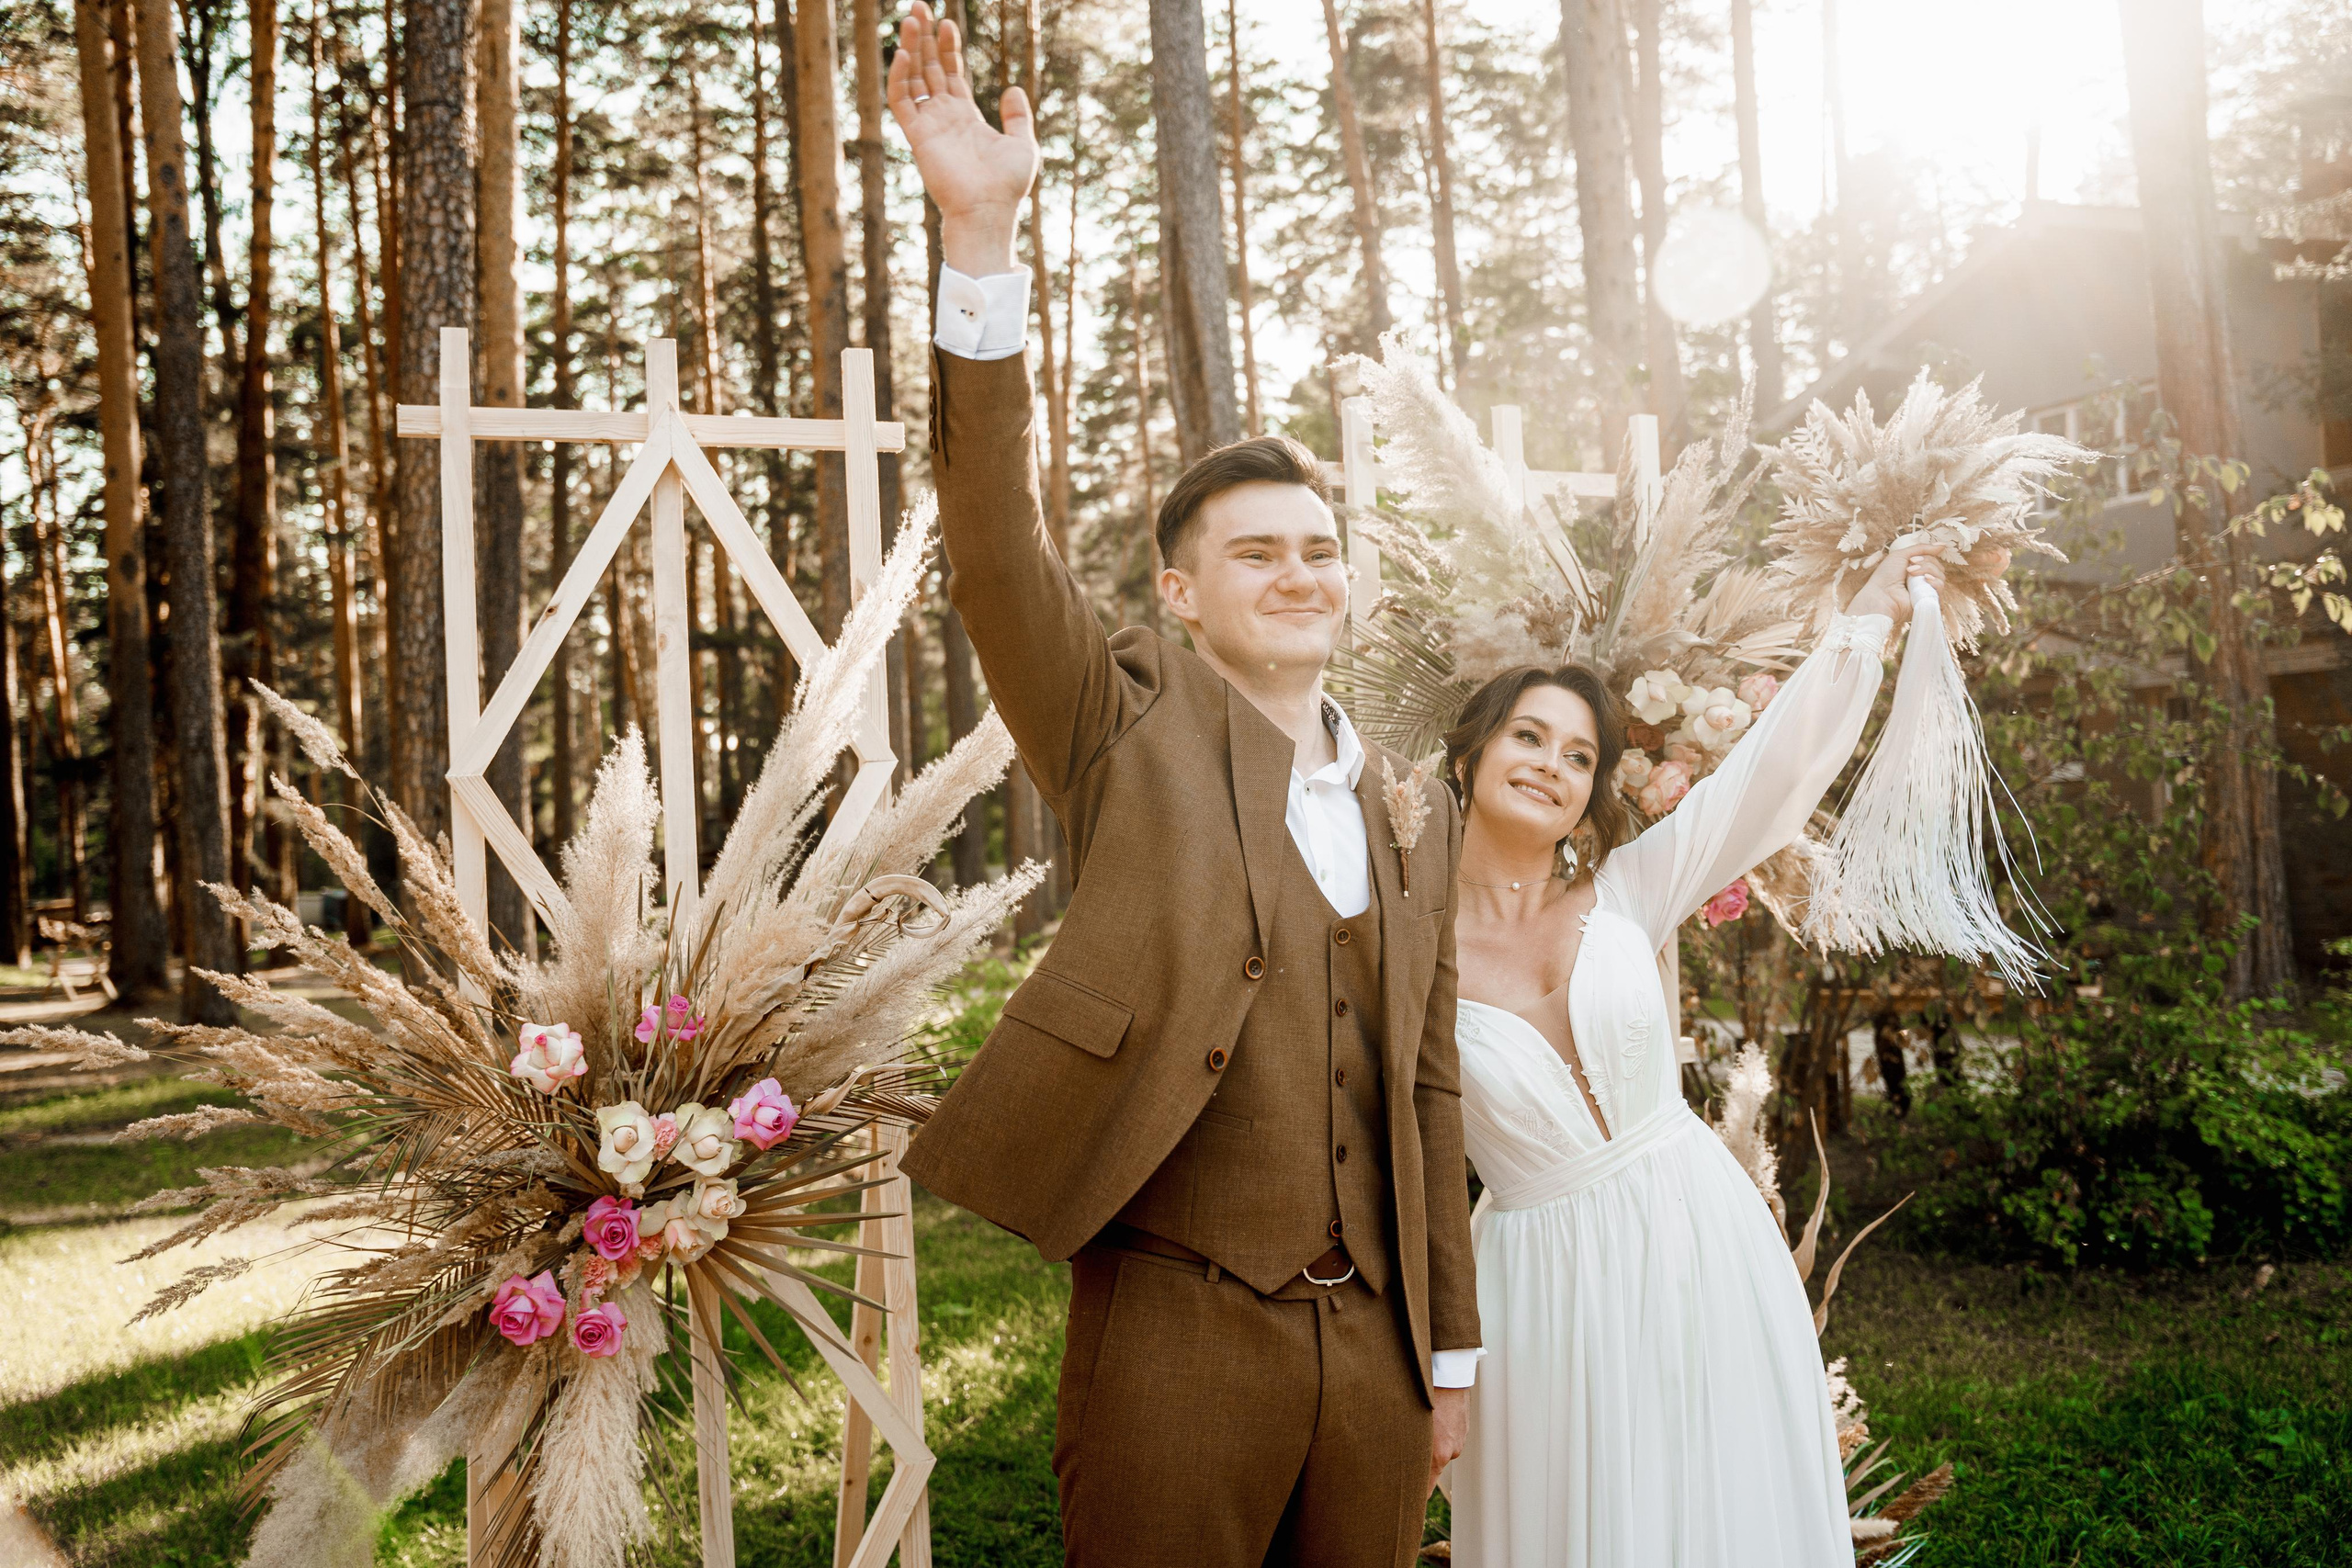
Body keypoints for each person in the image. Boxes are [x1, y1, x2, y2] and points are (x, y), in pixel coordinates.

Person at [885, 8, 1480, 1564]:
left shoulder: (1409, 800)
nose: (1300, 572)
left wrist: (1451, 1359)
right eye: (1255, 553)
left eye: (1319, 550)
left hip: (1377, 1363)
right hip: (1174, 1329)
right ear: (1182, 593)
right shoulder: (1119, 733)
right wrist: (980, 232)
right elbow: (994, 536)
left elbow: (1426, 1090)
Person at [1440, 546, 1943, 1568]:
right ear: (1468, 756)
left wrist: (1865, 616)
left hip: (1699, 1244)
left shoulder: (1629, 889)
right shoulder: (1403, 952)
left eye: (1578, 756)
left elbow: (1767, 777)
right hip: (1539, 1290)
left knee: (1724, 1510)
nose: (1550, 762)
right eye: (1527, 735)